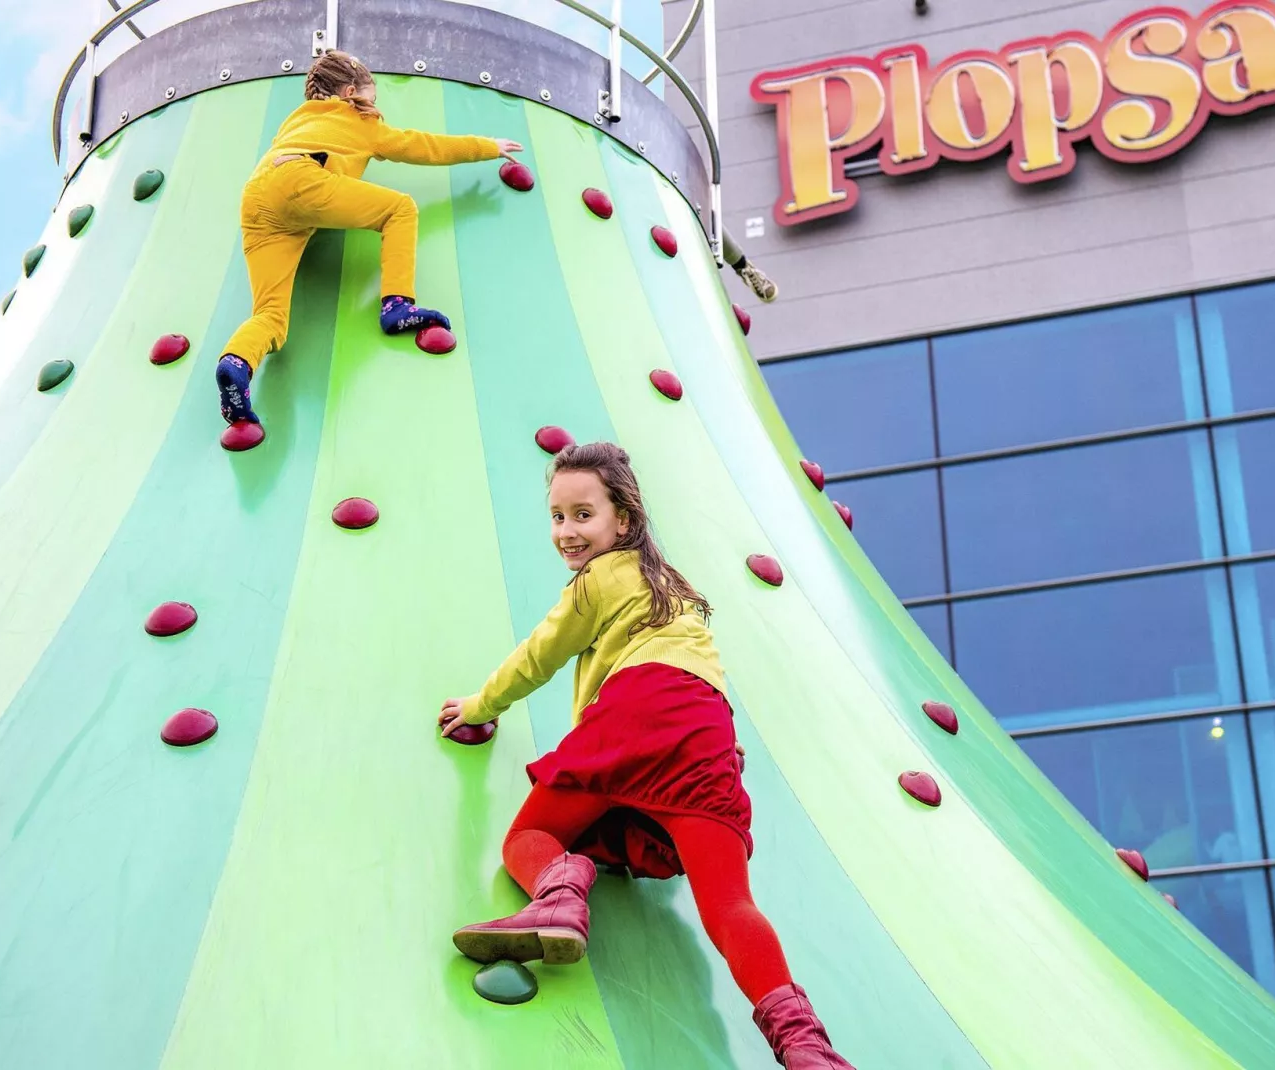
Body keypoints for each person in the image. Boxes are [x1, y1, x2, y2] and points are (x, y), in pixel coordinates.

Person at [438, 442, 855, 1069]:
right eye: (557, 516)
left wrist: (479, 707)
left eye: (584, 515)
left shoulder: (600, 579)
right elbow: (699, 680)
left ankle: (559, 893)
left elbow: (539, 657)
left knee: (531, 834)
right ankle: (805, 1045)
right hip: (705, 733)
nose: (567, 532)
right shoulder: (675, 591)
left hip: (637, 710)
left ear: (623, 521)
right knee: (731, 904)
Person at [215, 51, 521, 432]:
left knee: (270, 316)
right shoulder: (360, 121)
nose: (373, 107)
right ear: (349, 92)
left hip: (258, 199)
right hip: (300, 181)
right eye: (371, 98)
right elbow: (424, 145)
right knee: (400, 209)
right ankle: (396, 304)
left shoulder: (295, 120)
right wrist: (487, 146)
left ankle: (237, 362)